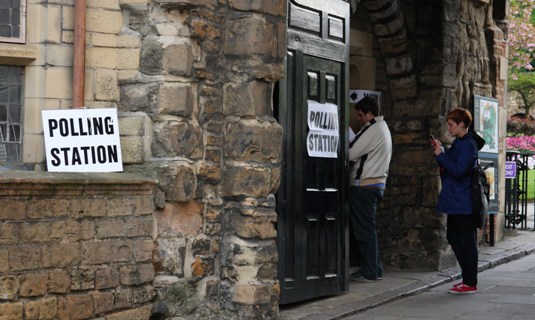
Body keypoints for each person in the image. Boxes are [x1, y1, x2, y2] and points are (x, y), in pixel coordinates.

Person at [430, 108, 484, 294]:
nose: (448, 127)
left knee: (466, 241)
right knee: (454, 237)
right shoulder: (460, 142)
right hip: (456, 199)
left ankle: (470, 282)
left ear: (462, 124)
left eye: (451, 124)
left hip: (463, 200)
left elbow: (458, 171)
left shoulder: (467, 144)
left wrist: (441, 155)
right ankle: (467, 279)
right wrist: (442, 152)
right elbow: (450, 166)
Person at [348, 96, 392, 281]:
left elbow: (351, 153)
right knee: (368, 229)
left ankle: (370, 271)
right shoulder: (382, 128)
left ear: (369, 114)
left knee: (364, 232)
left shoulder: (374, 129)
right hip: (375, 185)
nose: (359, 119)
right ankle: (374, 268)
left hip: (365, 187)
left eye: (360, 115)